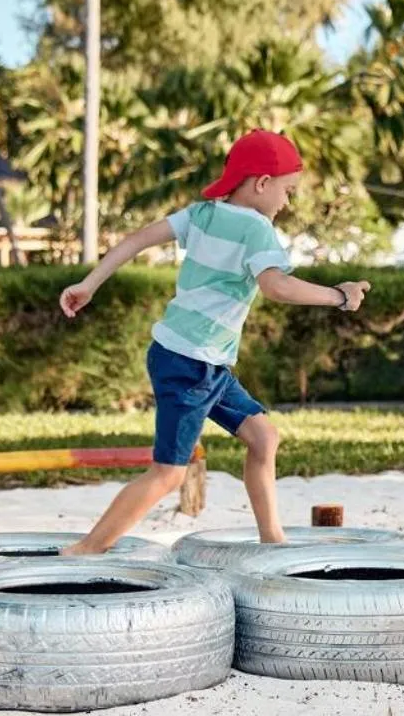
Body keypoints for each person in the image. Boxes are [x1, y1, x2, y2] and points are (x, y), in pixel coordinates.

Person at [56, 130, 369, 553]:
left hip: (197, 361)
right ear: (261, 183)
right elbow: (277, 287)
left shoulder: (203, 213)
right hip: (192, 364)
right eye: (287, 191)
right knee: (168, 473)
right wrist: (339, 296)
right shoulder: (257, 230)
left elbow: (135, 240)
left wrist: (89, 283)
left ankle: (272, 540)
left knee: (263, 438)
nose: (287, 203)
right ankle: (86, 549)